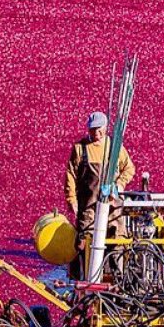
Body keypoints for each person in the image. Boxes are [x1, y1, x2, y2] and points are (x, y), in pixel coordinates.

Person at [64, 111, 135, 263]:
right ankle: (86, 278)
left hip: (113, 205)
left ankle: (118, 276)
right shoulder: (80, 149)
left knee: (117, 239)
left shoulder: (114, 147)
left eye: (99, 129)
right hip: (88, 206)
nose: (96, 132)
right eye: (93, 129)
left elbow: (129, 168)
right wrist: (72, 200)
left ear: (105, 128)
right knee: (85, 240)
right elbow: (70, 175)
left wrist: (119, 185)